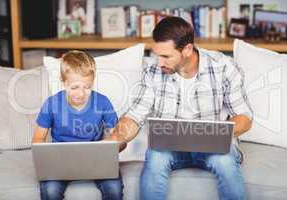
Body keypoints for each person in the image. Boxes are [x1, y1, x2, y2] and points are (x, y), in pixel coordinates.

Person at [106, 16, 253, 200]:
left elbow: (244, 118)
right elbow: (135, 116)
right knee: (156, 157)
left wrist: (214, 133)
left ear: (187, 49)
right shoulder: (153, 71)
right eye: (156, 54)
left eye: (166, 56)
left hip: (212, 146)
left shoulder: (223, 67)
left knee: (225, 161)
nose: (159, 62)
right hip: (168, 148)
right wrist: (115, 138)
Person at [33, 50, 123, 200]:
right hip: (59, 163)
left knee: (114, 189)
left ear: (93, 82)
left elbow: (119, 136)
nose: (81, 94)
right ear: (63, 82)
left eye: (87, 87)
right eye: (74, 87)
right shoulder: (51, 104)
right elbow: (37, 141)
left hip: (97, 161)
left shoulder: (102, 102)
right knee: (50, 191)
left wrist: (116, 143)